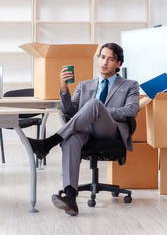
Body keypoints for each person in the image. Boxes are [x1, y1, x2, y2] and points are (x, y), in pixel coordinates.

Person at [28, 43, 139, 216]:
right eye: (102, 57)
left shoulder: (130, 85)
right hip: (85, 131)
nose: (104, 62)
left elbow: (131, 110)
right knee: (71, 139)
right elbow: (69, 111)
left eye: (110, 59)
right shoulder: (84, 85)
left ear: (118, 64)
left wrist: (99, 111)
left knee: (94, 104)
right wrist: (64, 88)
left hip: (110, 130)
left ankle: (49, 142)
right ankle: (70, 196)